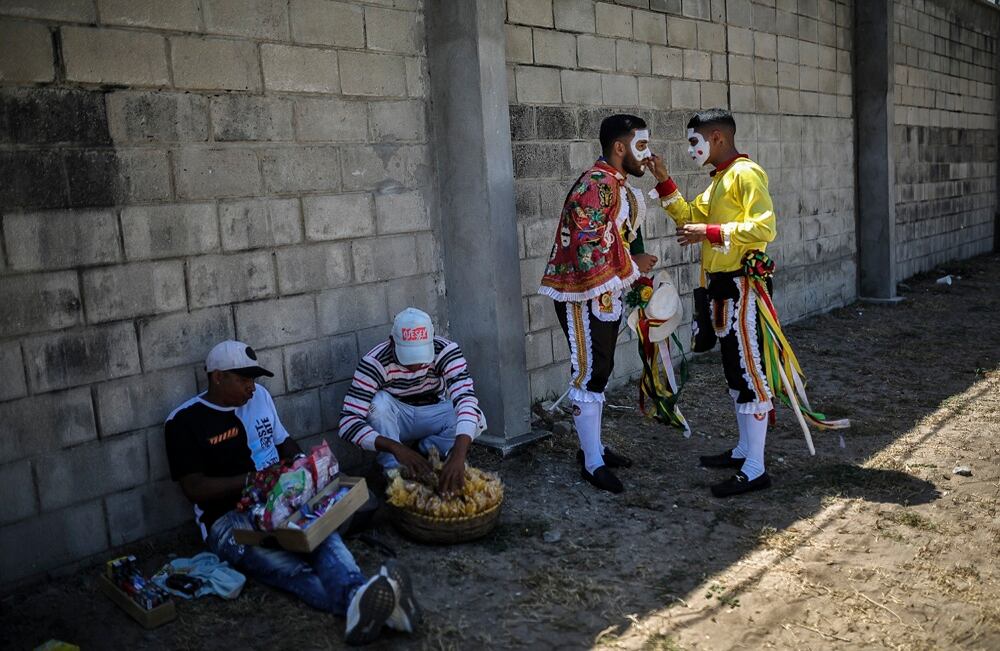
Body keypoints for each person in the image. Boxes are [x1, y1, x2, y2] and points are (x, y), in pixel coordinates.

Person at [165, 340, 421, 645]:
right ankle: (370, 605)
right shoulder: (184, 421)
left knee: (320, 536)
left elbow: (285, 442)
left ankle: (363, 601)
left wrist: (304, 466)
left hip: (279, 499)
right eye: (244, 380)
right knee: (285, 566)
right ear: (218, 377)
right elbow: (194, 489)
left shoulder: (260, 397)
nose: (252, 387)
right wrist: (253, 479)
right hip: (228, 520)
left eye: (254, 380)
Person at [647, 108, 777, 497]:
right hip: (722, 288)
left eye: (694, 142)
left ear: (716, 137)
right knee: (736, 370)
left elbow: (764, 226)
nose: (691, 150)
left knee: (749, 371)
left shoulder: (745, 174)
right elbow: (689, 216)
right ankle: (745, 451)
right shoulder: (720, 180)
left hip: (743, 287)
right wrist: (664, 180)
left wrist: (711, 231)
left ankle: (756, 468)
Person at [537, 114, 659, 494]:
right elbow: (585, 247)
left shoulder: (615, 185)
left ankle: (594, 448)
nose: (647, 154)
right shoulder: (596, 185)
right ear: (620, 147)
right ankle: (592, 461)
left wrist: (633, 270)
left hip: (603, 289)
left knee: (601, 369)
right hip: (581, 291)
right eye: (641, 146)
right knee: (590, 372)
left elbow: (617, 235)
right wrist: (632, 265)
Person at [338, 307, 486, 495]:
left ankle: (426, 452)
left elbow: (465, 399)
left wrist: (458, 456)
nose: (416, 365)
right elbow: (348, 423)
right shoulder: (374, 362)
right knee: (378, 405)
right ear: (392, 342)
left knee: (475, 417)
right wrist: (396, 448)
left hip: (432, 409)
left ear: (432, 340)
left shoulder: (446, 351)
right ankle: (392, 471)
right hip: (397, 417)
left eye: (421, 356)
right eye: (408, 356)